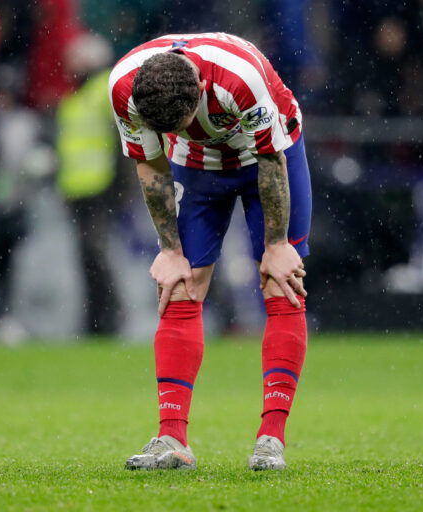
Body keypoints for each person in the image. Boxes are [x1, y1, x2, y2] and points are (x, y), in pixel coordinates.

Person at [108, 32, 311, 471]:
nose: (175, 133)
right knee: (180, 286)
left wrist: (276, 245)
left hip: (268, 157)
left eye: (180, 124)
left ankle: (271, 439)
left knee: (282, 282)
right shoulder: (124, 86)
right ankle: (172, 440)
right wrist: (170, 250)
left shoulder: (239, 78)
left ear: (201, 88)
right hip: (196, 166)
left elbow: (270, 159)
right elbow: (151, 163)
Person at [57, 33, 123, 335]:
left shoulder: (104, 90)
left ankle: (108, 317)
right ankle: (96, 319)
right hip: (78, 189)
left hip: (100, 188)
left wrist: (120, 186)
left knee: (96, 254)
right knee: (87, 257)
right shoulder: (78, 95)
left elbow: (125, 139)